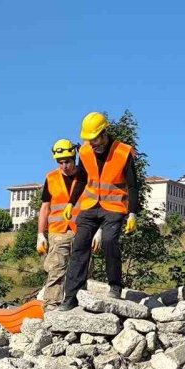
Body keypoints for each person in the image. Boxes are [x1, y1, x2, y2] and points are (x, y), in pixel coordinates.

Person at [59, 112, 139, 310]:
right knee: (79, 245)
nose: (93, 145)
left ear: (104, 133)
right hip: (89, 205)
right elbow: (83, 178)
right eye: (90, 141)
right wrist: (71, 202)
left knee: (109, 240)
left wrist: (132, 213)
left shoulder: (123, 152)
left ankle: (115, 286)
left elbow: (133, 185)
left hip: (114, 207)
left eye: (95, 140)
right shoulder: (85, 151)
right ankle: (71, 296)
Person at [36, 139, 81, 307]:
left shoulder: (84, 176)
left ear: (74, 158)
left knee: (82, 270)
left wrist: (97, 231)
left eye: (67, 161)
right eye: (60, 162)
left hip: (82, 230)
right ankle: (51, 305)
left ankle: (77, 304)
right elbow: (45, 207)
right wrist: (41, 234)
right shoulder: (51, 177)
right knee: (56, 269)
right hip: (58, 231)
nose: (64, 166)